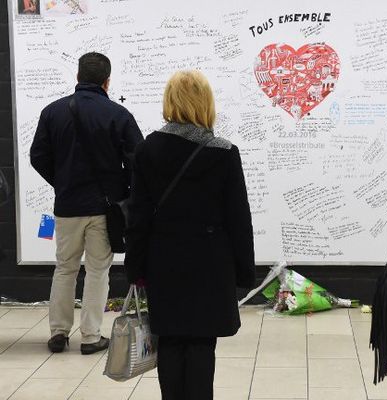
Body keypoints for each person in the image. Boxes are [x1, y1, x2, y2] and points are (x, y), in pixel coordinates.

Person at [124, 70, 256, 400]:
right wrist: (244, 271)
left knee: (168, 339)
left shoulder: (147, 150)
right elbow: (238, 217)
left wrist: (135, 267)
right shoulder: (223, 152)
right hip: (210, 264)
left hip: (162, 260)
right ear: (206, 103)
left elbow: (138, 216)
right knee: (201, 343)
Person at [30, 52, 143, 354]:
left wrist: (62, 182)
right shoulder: (119, 116)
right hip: (104, 209)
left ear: (78, 77)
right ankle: (91, 336)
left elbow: (37, 157)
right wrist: (125, 192)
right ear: (107, 82)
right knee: (97, 271)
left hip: (67, 207)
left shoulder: (52, 112)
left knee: (64, 268)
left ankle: (58, 333)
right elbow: (138, 161)